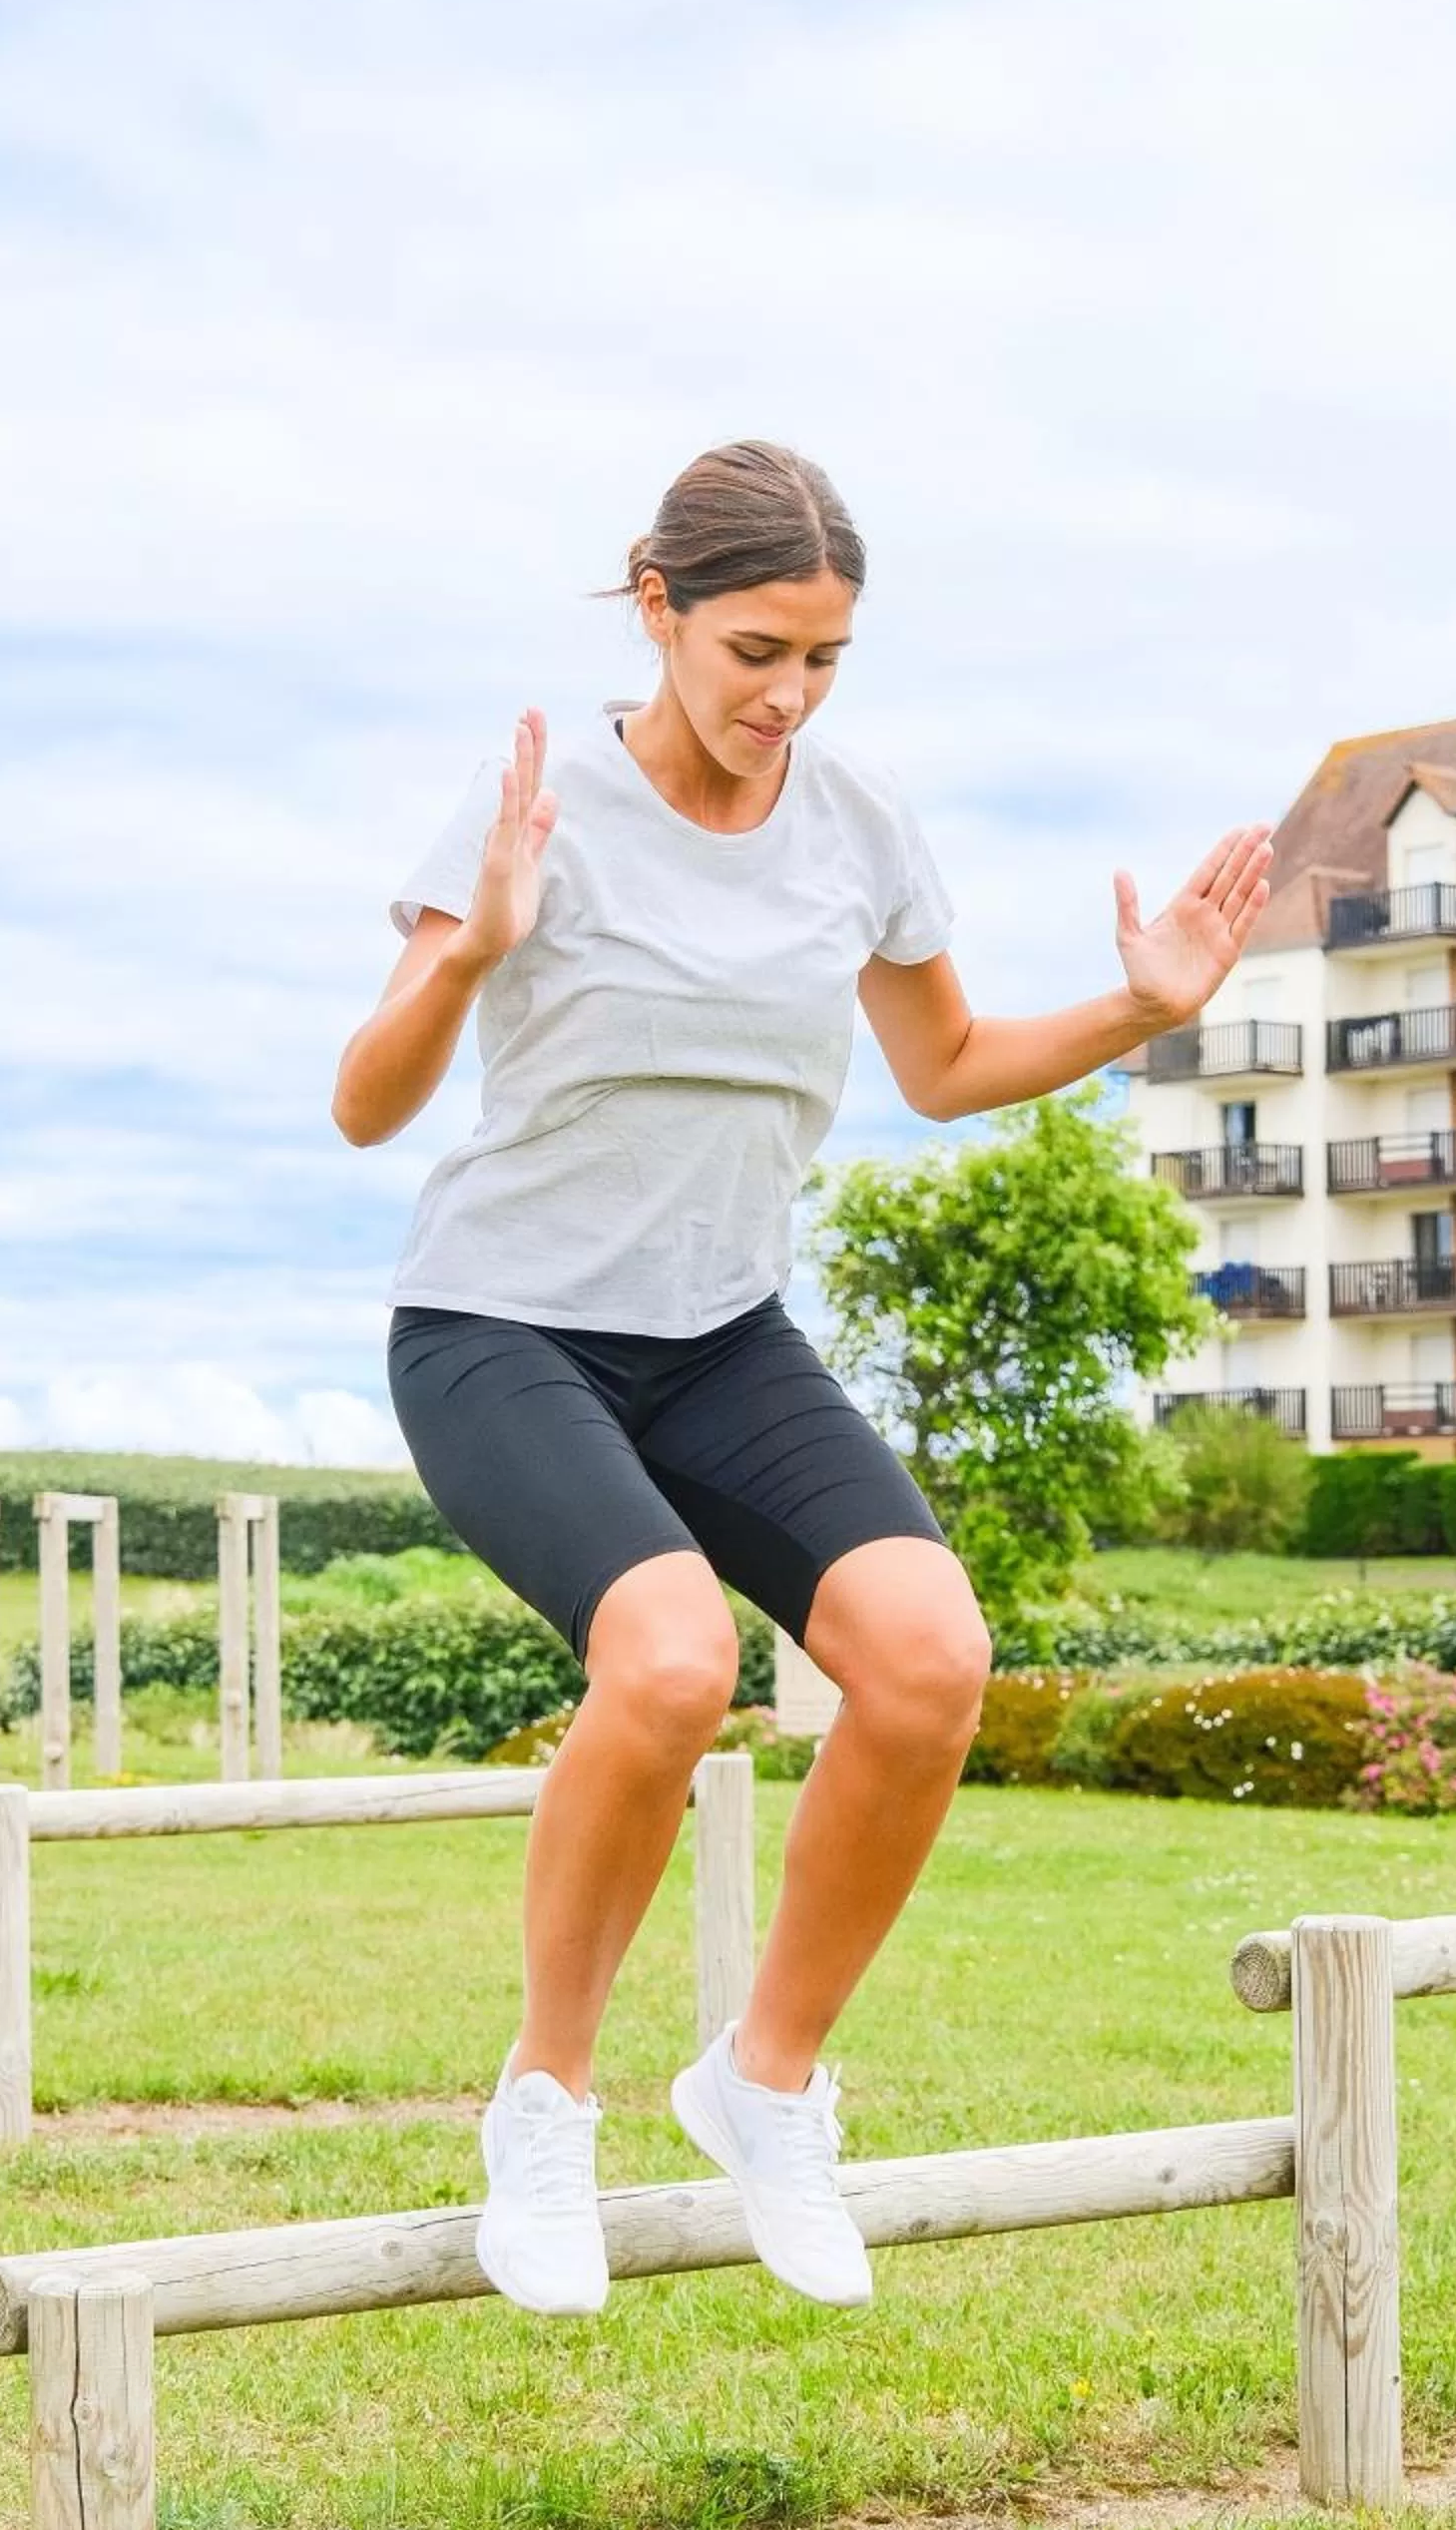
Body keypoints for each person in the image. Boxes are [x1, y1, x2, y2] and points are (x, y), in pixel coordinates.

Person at [332, 439, 1270, 2319]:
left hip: (723, 1331)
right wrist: (471, 961)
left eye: (827, 659)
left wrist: (1144, 1011)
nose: (788, 696)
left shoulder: (856, 817)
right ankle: (544, 2102)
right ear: (660, 607)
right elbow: (366, 1104)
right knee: (670, 1665)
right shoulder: (541, 805)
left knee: (931, 1660)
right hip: (505, 1327)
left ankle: (763, 2083)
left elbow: (942, 1063)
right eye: (757, 649)